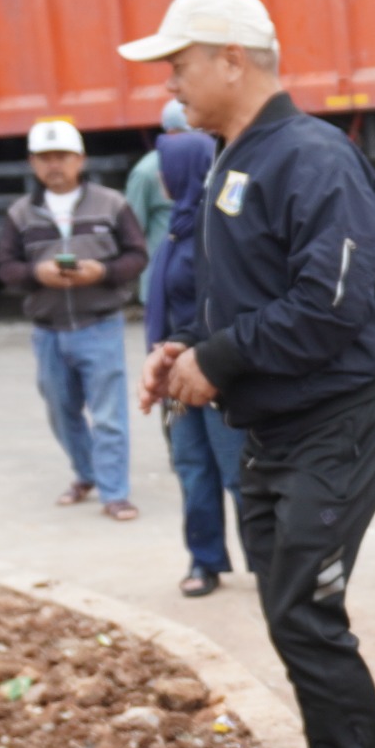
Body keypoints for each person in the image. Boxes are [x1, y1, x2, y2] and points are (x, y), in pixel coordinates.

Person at [123, 0, 375, 748]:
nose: (170, 83)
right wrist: (190, 352)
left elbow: (331, 304)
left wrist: (217, 356)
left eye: (178, 63)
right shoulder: (228, 158)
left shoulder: (311, 157)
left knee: (306, 608)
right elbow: (257, 299)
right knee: (290, 614)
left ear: (232, 59)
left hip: (339, 421)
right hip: (275, 427)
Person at [0, 118, 147, 522]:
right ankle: (86, 473)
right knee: (61, 411)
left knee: (109, 415)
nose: (54, 166)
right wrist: (34, 275)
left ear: (80, 159)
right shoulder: (21, 213)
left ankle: (114, 493)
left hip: (100, 324)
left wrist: (102, 272)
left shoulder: (110, 204)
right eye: (44, 159)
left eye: (62, 156)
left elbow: (137, 255)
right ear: (32, 163)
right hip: (48, 331)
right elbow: (6, 266)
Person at [142, 124, 239, 596]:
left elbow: (222, 300)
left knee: (237, 473)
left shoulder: (211, 226)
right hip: (176, 371)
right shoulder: (178, 226)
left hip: (213, 370)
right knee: (192, 468)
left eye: (165, 165)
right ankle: (204, 561)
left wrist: (204, 357)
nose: (159, 174)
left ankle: (271, 563)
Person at [126, 99, 191, 263]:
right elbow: (132, 231)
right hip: (160, 270)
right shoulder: (146, 172)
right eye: (187, 134)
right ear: (171, 133)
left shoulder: (206, 164)